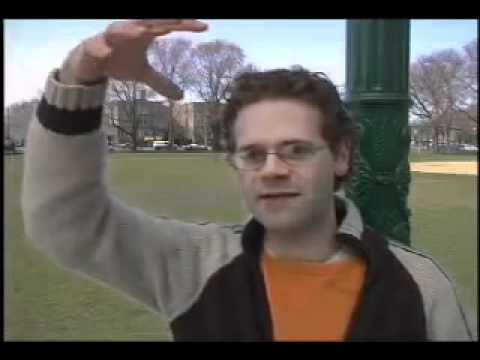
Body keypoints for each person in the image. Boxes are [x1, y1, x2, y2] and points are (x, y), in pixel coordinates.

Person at [22, 19, 474, 341]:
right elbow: (66, 223)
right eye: (253, 154)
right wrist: (80, 75)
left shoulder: (418, 283)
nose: (273, 168)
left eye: (296, 149)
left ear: (340, 155)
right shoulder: (192, 263)